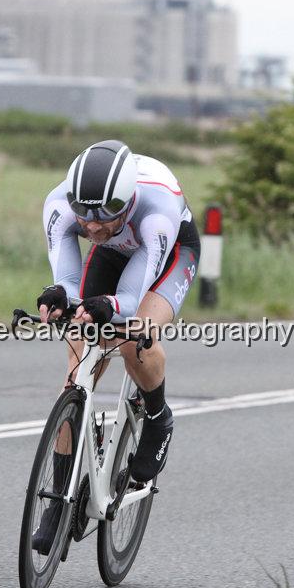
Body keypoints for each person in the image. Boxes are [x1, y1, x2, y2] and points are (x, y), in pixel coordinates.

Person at [31, 139, 201, 554]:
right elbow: (68, 282)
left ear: (128, 201)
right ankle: (57, 503)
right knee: (79, 355)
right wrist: (61, 297)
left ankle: (158, 417)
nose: (91, 226)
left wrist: (109, 306)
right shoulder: (58, 206)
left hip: (169, 254)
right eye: (84, 215)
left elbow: (129, 298)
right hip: (113, 254)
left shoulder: (156, 213)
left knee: (133, 339)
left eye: (106, 215)